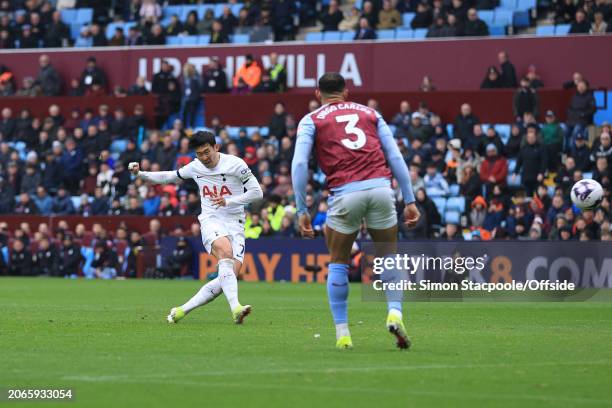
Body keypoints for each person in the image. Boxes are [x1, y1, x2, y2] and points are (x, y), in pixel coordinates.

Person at [291, 72, 419, 350]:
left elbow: (300, 164)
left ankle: (343, 334)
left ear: (317, 94)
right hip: (381, 189)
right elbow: (395, 155)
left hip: (344, 194)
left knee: (338, 261)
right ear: (346, 92)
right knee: (388, 256)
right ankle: (395, 311)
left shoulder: (311, 120)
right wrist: (409, 199)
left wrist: (302, 208)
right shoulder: (370, 113)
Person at [129, 131, 263, 324]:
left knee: (227, 278)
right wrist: (140, 174)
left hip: (235, 223)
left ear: (216, 147)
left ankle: (182, 310)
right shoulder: (195, 167)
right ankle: (236, 308)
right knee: (225, 251)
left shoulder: (236, 164)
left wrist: (229, 201)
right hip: (211, 219)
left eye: (207, 152)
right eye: (199, 153)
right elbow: (169, 177)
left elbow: (256, 193)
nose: (204, 157)